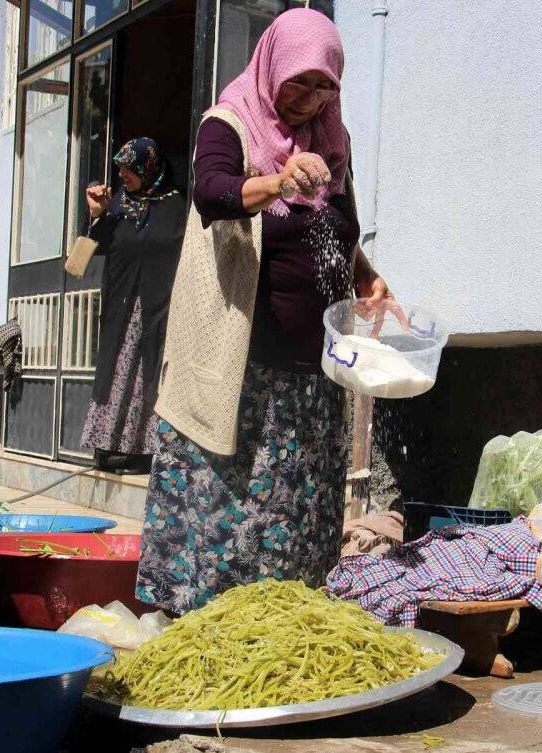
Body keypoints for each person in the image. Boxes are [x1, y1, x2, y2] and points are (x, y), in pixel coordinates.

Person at [136, 8, 393, 613]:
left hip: (313, 371)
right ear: (271, 67)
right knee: (229, 506)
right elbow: (213, 194)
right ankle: (208, 628)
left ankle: (284, 624)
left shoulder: (334, 142)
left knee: (297, 510)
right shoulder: (230, 122)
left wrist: (370, 277)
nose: (308, 98)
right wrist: (278, 181)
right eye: (298, 81)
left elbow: (340, 225)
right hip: (241, 364)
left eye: (324, 86)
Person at [80, 138, 185, 474]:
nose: (122, 173)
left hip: (161, 310)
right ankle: (110, 447)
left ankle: (145, 453)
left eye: (129, 167)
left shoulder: (177, 207)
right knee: (117, 374)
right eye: (120, 167)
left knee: (148, 377)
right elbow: (85, 256)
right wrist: (97, 216)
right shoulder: (119, 205)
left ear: (148, 167)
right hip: (122, 312)